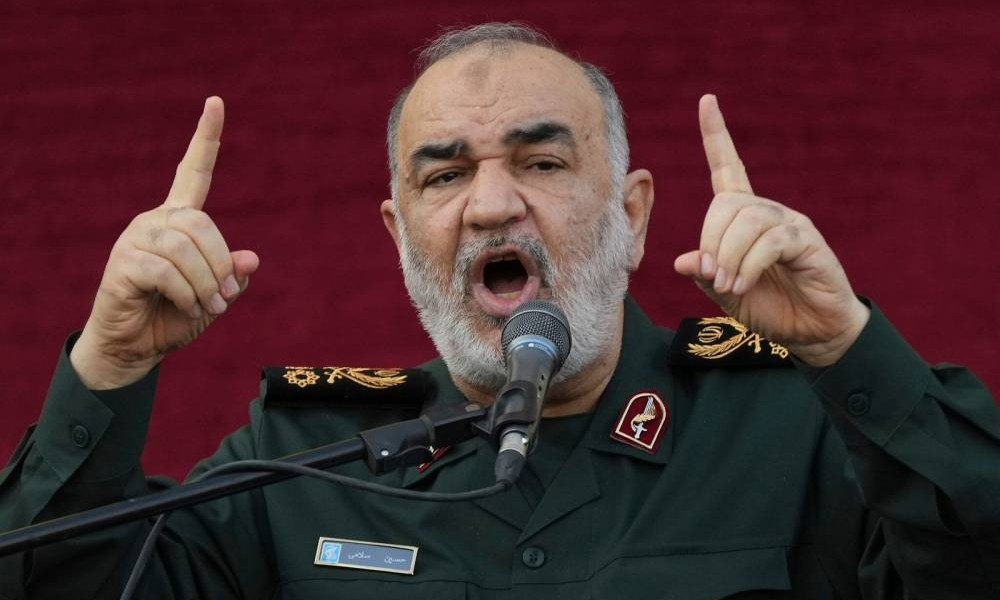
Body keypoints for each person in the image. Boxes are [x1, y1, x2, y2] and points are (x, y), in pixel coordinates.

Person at [1, 22, 998, 599]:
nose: (489, 204)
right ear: (399, 232)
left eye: (542, 162)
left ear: (633, 215)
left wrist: (844, 346)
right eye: (444, 175)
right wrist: (109, 367)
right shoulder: (298, 462)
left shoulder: (788, 425)